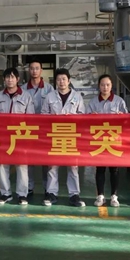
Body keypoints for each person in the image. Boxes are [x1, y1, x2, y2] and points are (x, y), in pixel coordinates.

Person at [41, 68, 86, 207]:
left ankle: (74, 195)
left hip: (71, 136)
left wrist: (72, 117)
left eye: (64, 79)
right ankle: (51, 193)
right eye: (59, 79)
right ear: (55, 81)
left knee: (73, 167)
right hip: (54, 135)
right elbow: (43, 115)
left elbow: (83, 116)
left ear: (69, 80)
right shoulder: (49, 97)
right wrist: (52, 117)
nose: (61, 82)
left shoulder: (77, 97)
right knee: (52, 166)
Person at [0, 67, 34, 206]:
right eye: (7, 77)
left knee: (22, 166)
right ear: (4, 79)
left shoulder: (26, 96)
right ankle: (5, 193)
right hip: (3, 137)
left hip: (20, 136)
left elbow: (31, 118)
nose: (10, 80)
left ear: (18, 79)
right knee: (2, 165)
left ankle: (22, 194)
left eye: (12, 77)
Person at [86, 74, 128, 207]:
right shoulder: (93, 102)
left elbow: (127, 121)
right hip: (99, 140)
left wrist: (122, 117)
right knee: (100, 168)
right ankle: (100, 196)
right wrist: (90, 117)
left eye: (108, 85)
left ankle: (114, 196)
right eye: (103, 85)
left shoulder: (119, 101)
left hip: (114, 140)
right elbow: (85, 120)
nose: (105, 87)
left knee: (114, 169)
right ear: (99, 86)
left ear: (111, 86)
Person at [21, 59, 54, 198]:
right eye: (32, 68)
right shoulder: (23, 89)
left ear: (41, 70)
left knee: (46, 160)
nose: (34, 71)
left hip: (45, 129)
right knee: (28, 160)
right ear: (29, 70)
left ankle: (47, 188)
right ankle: (29, 187)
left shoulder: (49, 89)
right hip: (28, 129)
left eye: (37, 68)